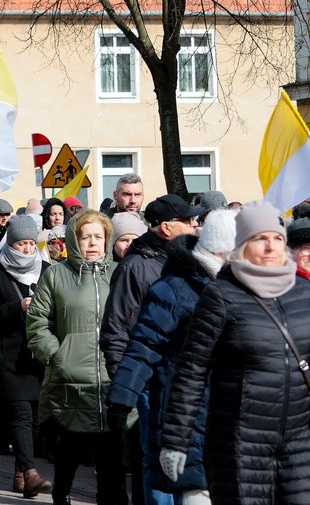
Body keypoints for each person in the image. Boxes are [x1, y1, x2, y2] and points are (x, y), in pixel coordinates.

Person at [160, 201, 310, 502]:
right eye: (260, 238)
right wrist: (175, 440)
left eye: (277, 238)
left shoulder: (303, 292)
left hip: (300, 441)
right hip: (239, 443)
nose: (270, 247)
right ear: (242, 244)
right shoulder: (221, 295)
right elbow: (192, 370)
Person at [106, 209, 236, 505]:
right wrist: (122, 398)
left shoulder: (243, 289)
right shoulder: (175, 288)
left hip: (230, 411)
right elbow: (144, 344)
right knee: (182, 489)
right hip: (181, 406)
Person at [101, 194, 202, 505]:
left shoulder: (189, 262)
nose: (195, 224)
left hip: (186, 379)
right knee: (158, 460)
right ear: (167, 228)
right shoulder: (135, 267)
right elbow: (117, 329)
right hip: (153, 383)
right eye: (188, 220)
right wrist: (127, 386)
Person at [25, 209, 127, 504]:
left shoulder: (120, 273)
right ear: (74, 239)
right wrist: (56, 355)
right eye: (86, 236)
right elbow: (37, 322)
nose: (92, 243)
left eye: (98, 236)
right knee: (69, 452)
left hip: (111, 380)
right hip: (69, 382)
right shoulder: (56, 275)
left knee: (111, 457)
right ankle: (61, 495)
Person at [0, 215, 52, 499]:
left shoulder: (46, 270)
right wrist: (16, 307)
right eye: (21, 243)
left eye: (31, 243)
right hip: (9, 356)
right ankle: (31, 472)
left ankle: (21, 474)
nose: (26, 249)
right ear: (10, 244)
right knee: (21, 414)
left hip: (39, 355)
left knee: (34, 416)